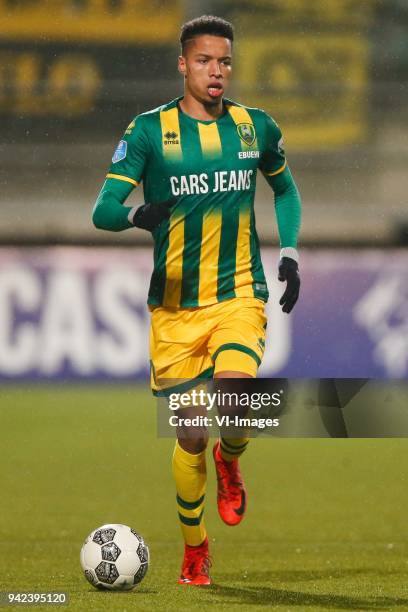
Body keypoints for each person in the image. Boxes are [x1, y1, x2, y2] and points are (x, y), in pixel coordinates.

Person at [92, 14, 301, 586]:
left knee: (236, 400)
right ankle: (195, 547)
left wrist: (290, 253)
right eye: (205, 60)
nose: (217, 72)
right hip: (176, 310)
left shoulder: (255, 127)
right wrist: (138, 214)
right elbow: (102, 210)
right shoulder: (147, 131)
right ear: (183, 64)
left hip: (238, 295)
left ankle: (230, 459)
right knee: (190, 432)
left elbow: (284, 188)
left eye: (225, 62)